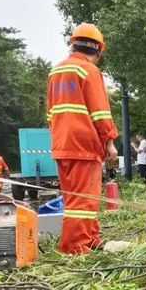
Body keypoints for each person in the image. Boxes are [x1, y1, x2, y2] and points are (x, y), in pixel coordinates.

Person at [46, 22, 118, 254]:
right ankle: (74, 247)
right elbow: (100, 112)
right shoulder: (89, 71)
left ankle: (90, 239)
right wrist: (109, 142)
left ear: (73, 44)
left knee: (74, 199)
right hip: (83, 144)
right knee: (85, 201)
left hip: (62, 144)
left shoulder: (56, 71)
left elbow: (50, 113)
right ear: (98, 50)